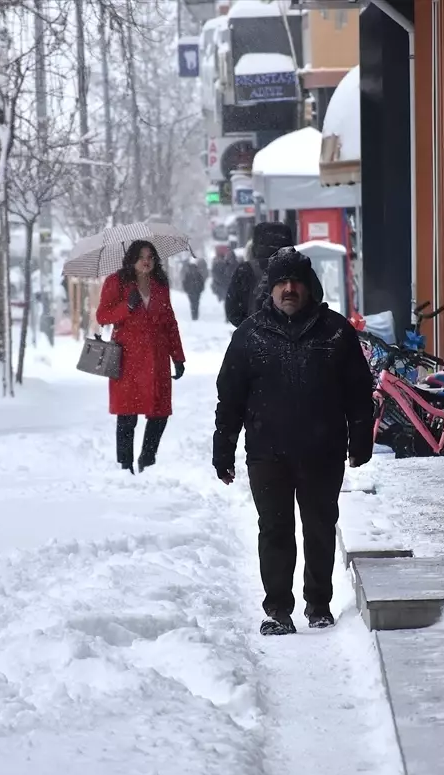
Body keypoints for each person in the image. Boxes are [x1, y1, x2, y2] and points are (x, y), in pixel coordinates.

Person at [213, 247, 375, 635]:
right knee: (274, 530)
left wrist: (361, 439)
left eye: (296, 282)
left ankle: (318, 604)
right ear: (270, 288)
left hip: (323, 452)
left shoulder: (336, 332)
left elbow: (358, 391)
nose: (289, 289)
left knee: (319, 527)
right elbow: (229, 398)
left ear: (309, 286)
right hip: (268, 454)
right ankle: (277, 610)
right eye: (282, 282)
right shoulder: (249, 336)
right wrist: (224, 448)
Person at [95, 240, 186, 474]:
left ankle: (147, 458)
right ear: (132, 259)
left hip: (157, 357)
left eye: (151, 257)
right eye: (142, 256)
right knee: (127, 414)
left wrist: (178, 356)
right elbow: (103, 316)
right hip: (128, 357)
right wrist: (127, 306)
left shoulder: (160, 284)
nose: (146, 261)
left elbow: (170, 322)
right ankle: (125, 465)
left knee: (160, 412)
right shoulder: (116, 282)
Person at [223, 222, 294, 328]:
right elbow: (315, 300)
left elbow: (232, 310)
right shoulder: (299, 267)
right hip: (294, 338)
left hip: (256, 338)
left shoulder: (245, 270)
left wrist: (249, 329)